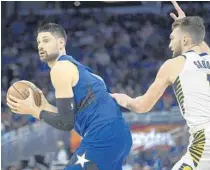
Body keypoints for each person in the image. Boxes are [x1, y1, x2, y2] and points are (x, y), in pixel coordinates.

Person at [7, 23, 132, 170]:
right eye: (39, 42)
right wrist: (45, 107)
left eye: (46, 40)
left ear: (61, 43)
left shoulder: (60, 69)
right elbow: (72, 118)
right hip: (120, 136)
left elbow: (66, 123)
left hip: (103, 136)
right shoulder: (87, 72)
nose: (41, 46)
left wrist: (34, 111)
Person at [111, 1, 210, 170]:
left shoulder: (174, 64)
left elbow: (142, 106)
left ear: (185, 39)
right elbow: (200, 44)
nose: (170, 44)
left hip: (205, 140)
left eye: (172, 38)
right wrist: (186, 23)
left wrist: (124, 100)